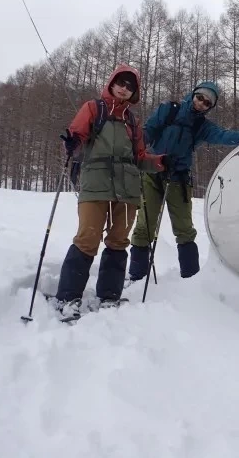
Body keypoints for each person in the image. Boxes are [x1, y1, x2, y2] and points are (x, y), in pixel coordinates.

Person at [53, 65, 165, 320]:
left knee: (117, 242)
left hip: (127, 190)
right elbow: (77, 134)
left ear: (134, 92)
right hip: (96, 183)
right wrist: (71, 141)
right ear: (112, 83)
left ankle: (109, 296)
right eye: (121, 83)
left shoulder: (132, 121)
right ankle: (68, 297)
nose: (124, 88)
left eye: (130, 86)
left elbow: (138, 157)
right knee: (87, 239)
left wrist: (159, 162)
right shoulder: (94, 108)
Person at [127, 82, 239, 282]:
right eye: (200, 97)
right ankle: (136, 277)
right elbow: (148, 131)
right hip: (153, 173)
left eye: (207, 103)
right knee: (145, 227)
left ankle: (191, 280)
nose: (201, 103)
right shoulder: (169, 110)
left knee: (184, 230)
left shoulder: (202, 126)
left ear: (210, 107)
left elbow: (222, 135)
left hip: (179, 179)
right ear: (193, 94)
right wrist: (134, 149)